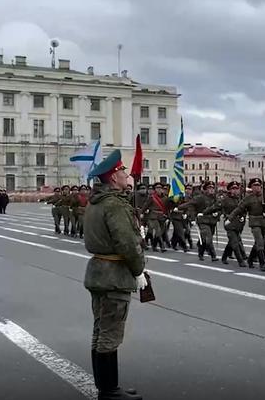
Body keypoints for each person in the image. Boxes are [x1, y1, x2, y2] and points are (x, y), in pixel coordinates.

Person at [82, 149, 146, 399]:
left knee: (100, 330)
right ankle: (109, 391)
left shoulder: (96, 202)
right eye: (121, 171)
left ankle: (105, 386)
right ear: (112, 177)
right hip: (114, 275)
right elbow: (127, 244)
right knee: (110, 333)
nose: (125, 174)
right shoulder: (115, 204)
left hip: (98, 272)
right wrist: (138, 269)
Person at [230, 178, 265, 271]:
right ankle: (262, 263)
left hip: (264, 222)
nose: (257, 188)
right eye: (255, 186)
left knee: (258, 242)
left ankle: (250, 259)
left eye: (258, 186)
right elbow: (239, 208)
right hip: (254, 222)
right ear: (251, 187)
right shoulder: (248, 198)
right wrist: (230, 218)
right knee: (260, 241)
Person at [205, 181, 247, 267]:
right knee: (235, 242)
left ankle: (224, 257)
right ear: (229, 190)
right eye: (233, 189)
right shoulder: (225, 199)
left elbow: (244, 209)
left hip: (239, 223)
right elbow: (215, 207)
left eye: (236, 189)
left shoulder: (240, 199)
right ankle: (240, 261)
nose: (235, 190)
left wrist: (243, 216)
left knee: (232, 242)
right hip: (229, 223)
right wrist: (204, 212)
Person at [179, 181, 219, 261]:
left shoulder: (215, 198)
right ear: (205, 189)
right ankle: (213, 255)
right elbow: (190, 204)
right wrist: (179, 207)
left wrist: (218, 213)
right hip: (203, 221)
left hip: (212, 221)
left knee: (205, 239)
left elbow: (221, 208)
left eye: (212, 188)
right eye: (209, 188)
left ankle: (200, 252)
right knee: (208, 238)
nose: (211, 189)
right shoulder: (200, 197)